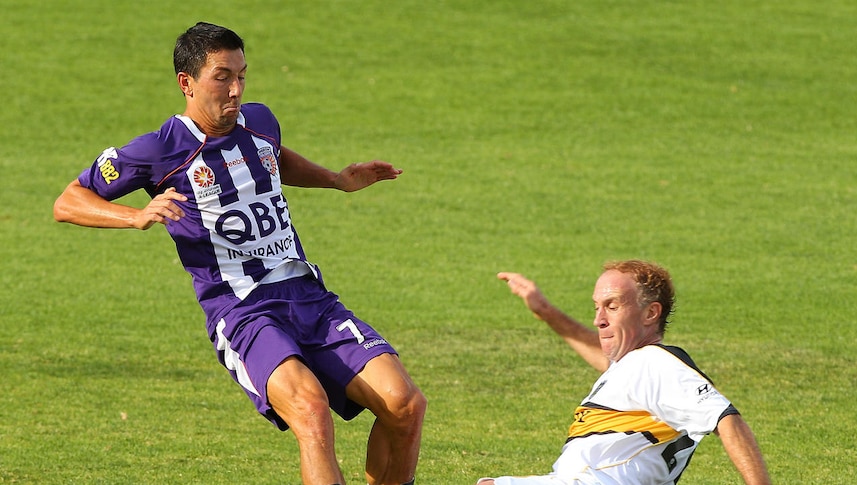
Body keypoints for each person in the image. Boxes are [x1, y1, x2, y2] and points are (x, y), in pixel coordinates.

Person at [54, 22, 425, 485]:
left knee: (405, 405)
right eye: (222, 77)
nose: (236, 90)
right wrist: (135, 215)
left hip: (308, 295)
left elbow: (274, 158)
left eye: (242, 76)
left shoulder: (261, 120)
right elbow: (68, 200)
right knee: (311, 411)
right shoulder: (159, 150)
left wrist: (336, 179)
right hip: (243, 311)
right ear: (186, 83)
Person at [480, 260, 770, 485]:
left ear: (650, 313)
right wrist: (545, 310)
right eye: (596, 307)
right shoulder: (634, 369)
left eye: (612, 306)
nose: (598, 319)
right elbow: (610, 365)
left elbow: (725, 418)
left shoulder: (656, 363)